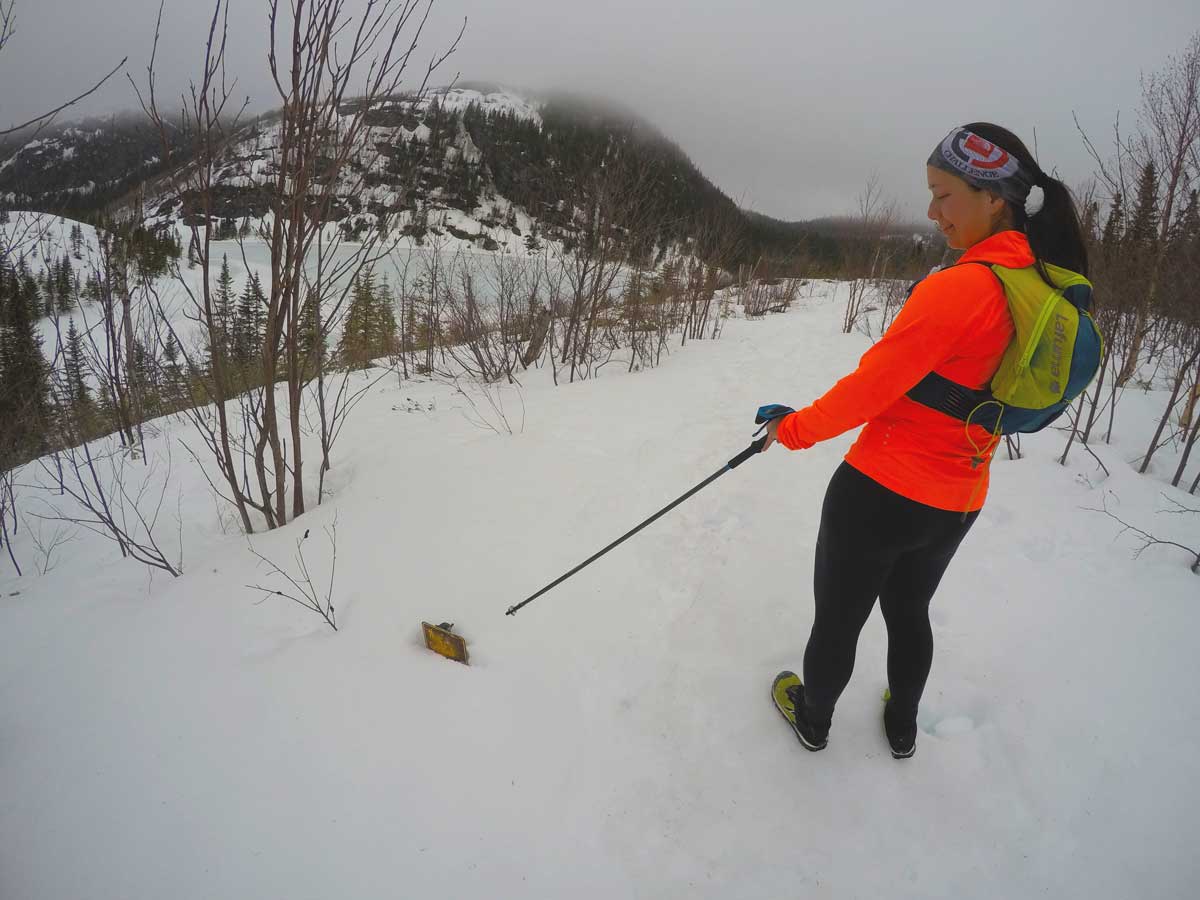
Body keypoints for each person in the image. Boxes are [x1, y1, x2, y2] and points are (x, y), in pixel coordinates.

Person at [763, 123, 1090, 759]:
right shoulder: (1039, 285)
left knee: (839, 618)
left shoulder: (959, 287)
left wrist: (791, 429)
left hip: (879, 493)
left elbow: (869, 390)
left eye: (943, 195)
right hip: (959, 500)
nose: (932, 210)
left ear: (993, 198)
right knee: (909, 609)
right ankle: (903, 724)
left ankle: (814, 717)